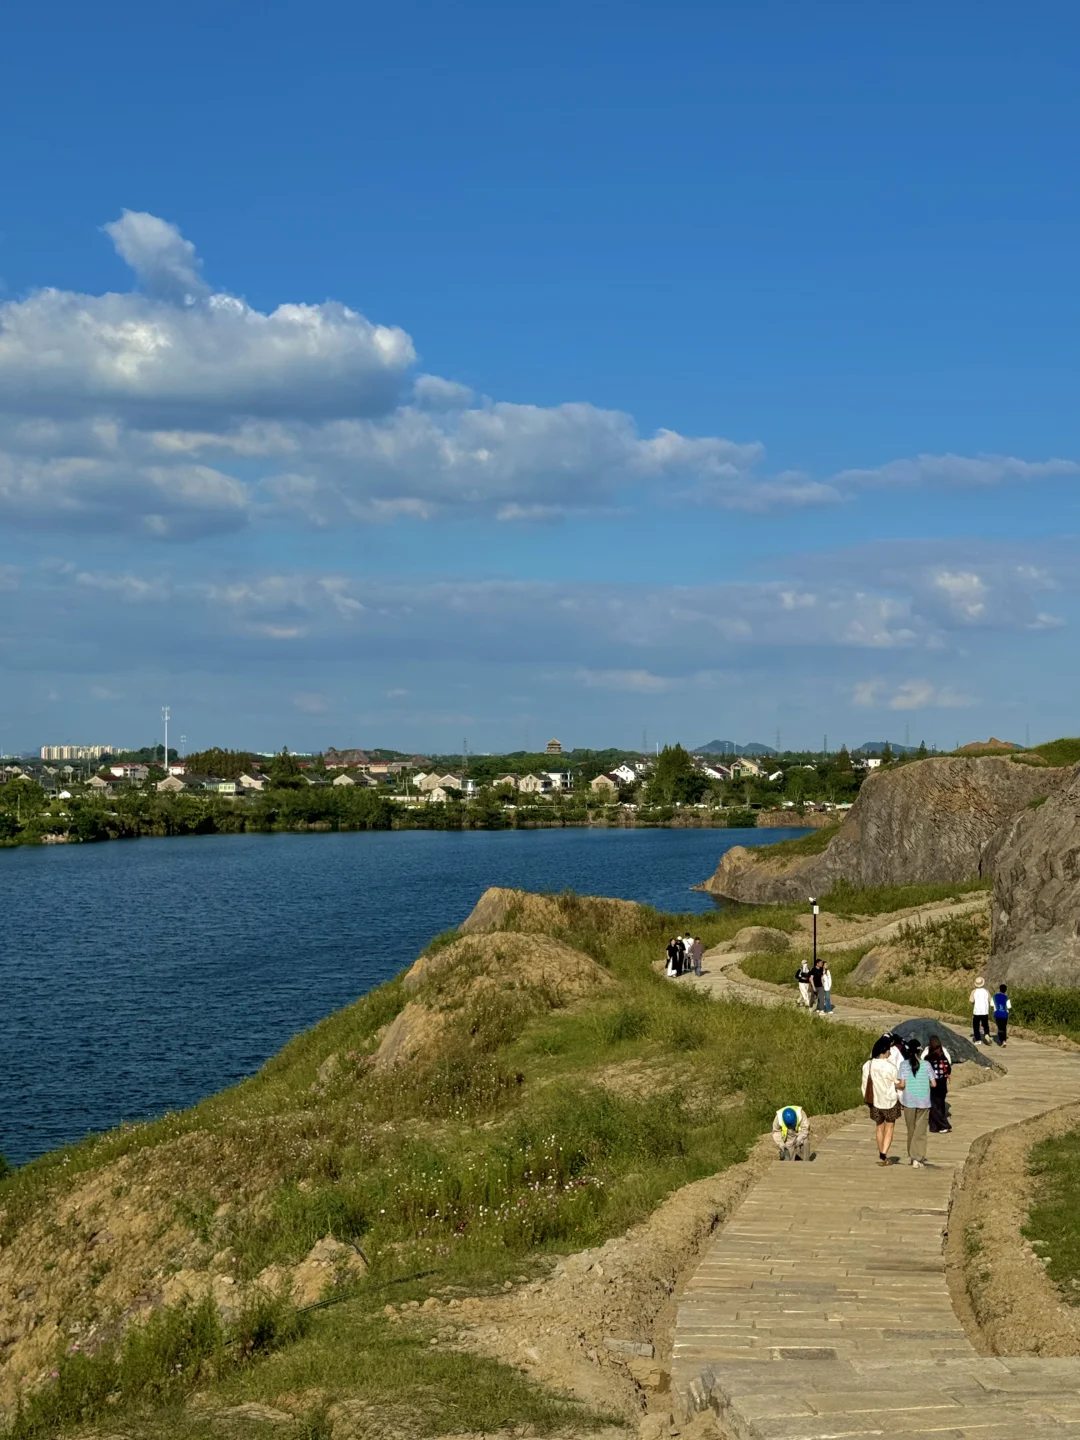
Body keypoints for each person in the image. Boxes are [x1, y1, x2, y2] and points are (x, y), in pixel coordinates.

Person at [861, 1036, 904, 1166]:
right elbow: (898, 1084)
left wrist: (867, 1099)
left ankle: (881, 1155)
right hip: (889, 1100)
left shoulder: (867, 1065)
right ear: (884, 1051)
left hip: (874, 1101)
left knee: (879, 1127)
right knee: (889, 1127)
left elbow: (864, 1085)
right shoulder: (890, 1067)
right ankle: (884, 1154)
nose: (890, 1052)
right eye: (889, 1050)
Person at [897, 1037, 935, 1166]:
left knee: (911, 1130)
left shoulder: (903, 1065)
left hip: (909, 1102)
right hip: (924, 1102)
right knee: (921, 1131)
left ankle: (912, 1156)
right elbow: (934, 1084)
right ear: (920, 1051)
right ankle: (918, 1157)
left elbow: (902, 1085)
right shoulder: (927, 1065)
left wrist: (894, 1085)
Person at [923, 1034, 952, 1133]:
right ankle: (934, 1126)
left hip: (933, 1083)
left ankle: (944, 1125)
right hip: (942, 1083)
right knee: (940, 1104)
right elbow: (948, 1069)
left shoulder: (928, 1058)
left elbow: (925, 1071)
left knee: (934, 1106)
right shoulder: (943, 1056)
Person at [970, 976, 991, 1045]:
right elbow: (990, 1000)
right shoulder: (986, 991)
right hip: (985, 1011)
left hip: (977, 1012)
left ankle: (978, 1040)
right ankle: (986, 1034)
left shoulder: (974, 991)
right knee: (985, 1025)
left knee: (976, 1026)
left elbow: (971, 1000)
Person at [993, 982, 1012, 1047]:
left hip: (997, 1014)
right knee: (1003, 1027)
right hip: (1004, 1014)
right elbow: (1009, 1007)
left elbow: (992, 1004)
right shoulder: (1006, 997)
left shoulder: (995, 996)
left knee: (999, 1027)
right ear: (1005, 990)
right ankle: (1004, 1040)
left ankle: (1002, 1041)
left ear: (999, 989)